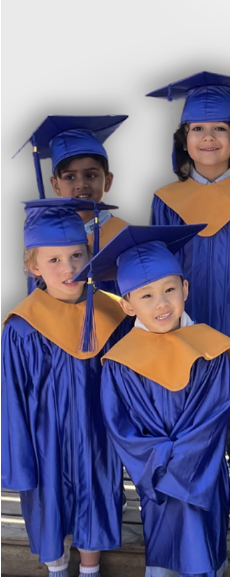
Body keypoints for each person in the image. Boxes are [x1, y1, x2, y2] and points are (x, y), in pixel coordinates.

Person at [147, 71, 230, 531]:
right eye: (198, 129)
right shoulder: (167, 200)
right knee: (189, 412)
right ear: (184, 139)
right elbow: (157, 270)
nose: (208, 138)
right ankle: (199, 485)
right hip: (184, 327)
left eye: (220, 129)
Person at [81, 223, 230, 577]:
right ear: (128, 305)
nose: (162, 303)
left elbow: (212, 421)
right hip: (158, 488)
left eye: (170, 289)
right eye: (146, 295)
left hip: (202, 477)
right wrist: (164, 472)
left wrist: (167, 469)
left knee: (205, 553)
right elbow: (120, 427)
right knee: (164, 560)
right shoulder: (121, 362)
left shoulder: (211, 349)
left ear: (185, 288)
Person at [3, 199, 127, 577]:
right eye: (53, 260)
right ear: (32, 266)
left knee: (98, 497)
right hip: (45, 444)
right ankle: (57, 570)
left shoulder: (114, 312)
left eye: (76, 255)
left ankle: (90, 570)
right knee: (48, 507)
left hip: (99, 437)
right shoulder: (22, 326)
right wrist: (19, 461)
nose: (69, 267)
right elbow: (13, 400)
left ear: (90, 254)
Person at [19, 115, 130, 294]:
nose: (81, 184)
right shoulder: (44, 237)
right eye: (70, 177)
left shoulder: (124, 237)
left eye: (90, 175)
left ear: (107, 181)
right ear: (55, 186)